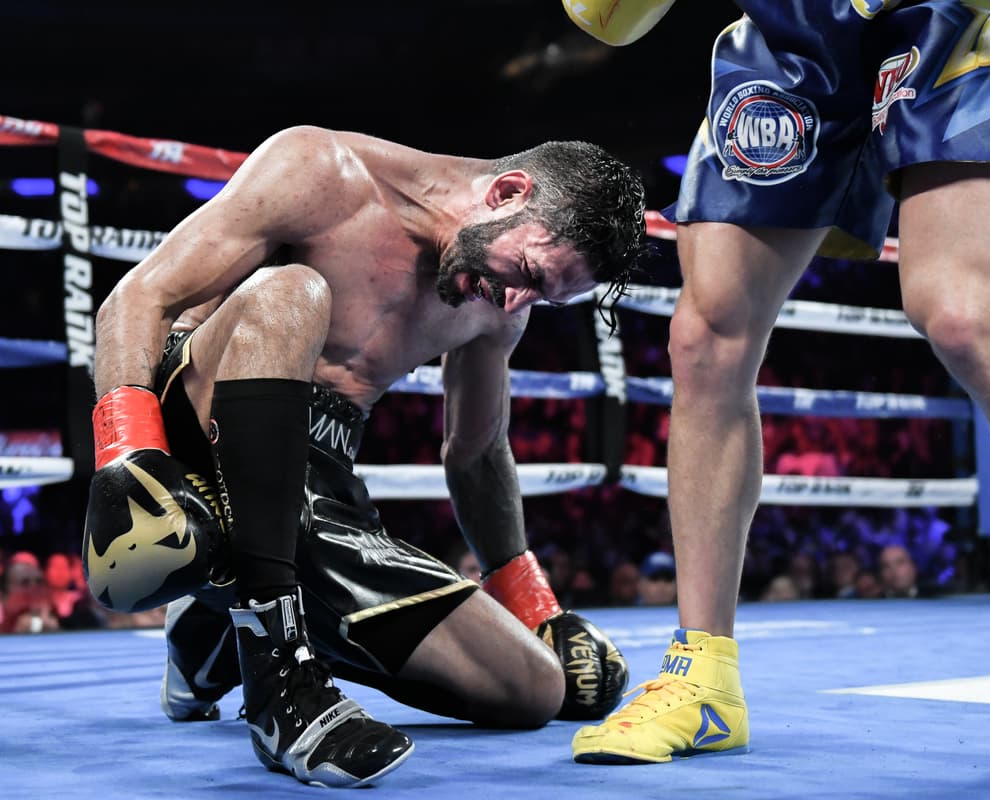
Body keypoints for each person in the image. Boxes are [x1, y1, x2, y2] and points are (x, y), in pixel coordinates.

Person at [564, 0, 990, 787]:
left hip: (946, 16)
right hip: (789, 32)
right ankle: (702, 678)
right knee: (705, 336)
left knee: (964, 313)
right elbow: (606, 21)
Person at [83, 125, 645, 787]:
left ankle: (211, 627)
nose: (515, 301)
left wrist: (534, 604)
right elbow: (140, 297)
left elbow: (477, 452)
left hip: (319, 480)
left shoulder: (500, 308)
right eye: (526, 275)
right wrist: (129, 459)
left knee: (531, 691)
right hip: (199, 422)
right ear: (506, 192)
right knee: (291, 293)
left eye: (542, 298)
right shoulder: (320, 171)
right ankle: (279, 680)